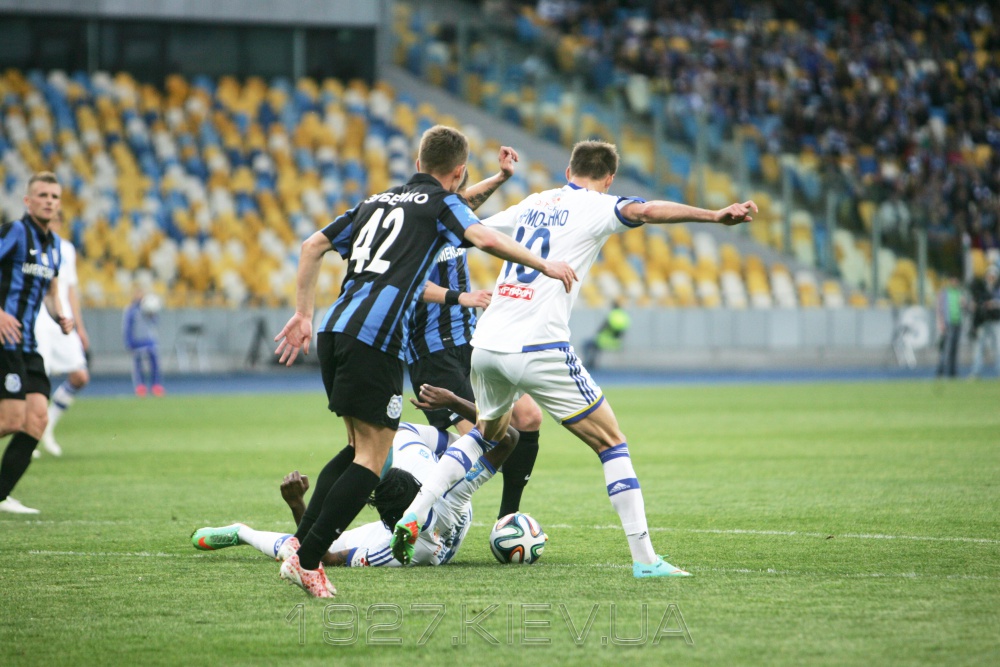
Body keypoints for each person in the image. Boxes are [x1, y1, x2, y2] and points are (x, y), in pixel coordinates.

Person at [391, 140, 757, 578]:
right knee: (612, 442)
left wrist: (494, 182)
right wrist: (714, 215)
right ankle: (646, 560)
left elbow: (471, 226)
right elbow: (646, 211)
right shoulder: (599, 206)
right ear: (609, 180)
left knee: (486, 434)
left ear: (568, 171)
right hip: (538, 345)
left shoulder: (535, 202)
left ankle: (415, 512)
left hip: (486, 342)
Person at [272, 124, 576, 597]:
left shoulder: (375, 202)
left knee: (357, 449)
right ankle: (307, 561)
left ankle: (301, 546)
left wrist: (302, 314)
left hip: (334, 328)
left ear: (417, 164)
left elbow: (312, 246)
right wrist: (545, 265)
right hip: (377, 338)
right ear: (457, 173)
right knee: (371, 460)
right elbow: (483, 237)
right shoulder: (438, 206)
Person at [190, 385, 518, 576]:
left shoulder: (397, 545)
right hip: (415, 448)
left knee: (302, 547)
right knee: (300, 548)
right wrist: (456, 407)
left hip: (412, 449)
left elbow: (323, 557)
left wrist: (297, 505)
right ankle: (241, 532)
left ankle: (242, 532)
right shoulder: (409, 537)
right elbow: (509, 437)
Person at [408, 146, 543, 520]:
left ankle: (508, 519)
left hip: (470, 343)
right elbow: (406, 283)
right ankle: (425, 510)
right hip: (432, 351)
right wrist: (461, 297)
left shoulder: (448, 213)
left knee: (528, 417)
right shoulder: (410, 222)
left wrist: (501, 177)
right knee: (484, 440)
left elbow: (466, 201)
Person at [0, 172, 74, 515]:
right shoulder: (15, 232)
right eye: (42, 195)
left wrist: (61, 315)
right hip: (5, 341)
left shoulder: (55, 245)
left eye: (54, 196)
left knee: (37, 421)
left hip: (28, 345)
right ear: (28, 201)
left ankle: (1, 495)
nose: (49, 201)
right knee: (11, 419)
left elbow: (51, 289)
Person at [33, 212, 89, 457]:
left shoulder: (66, 249)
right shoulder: (30, 245)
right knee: (38, 381)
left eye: (56, 220)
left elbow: (70, 290)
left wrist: (80, 326)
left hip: (63, 320)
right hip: (38, 321)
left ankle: (48, 425)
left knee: (80, 376)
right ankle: (31, 435)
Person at [123, 287, 164, 397]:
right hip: (137, 341)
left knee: (155, 363)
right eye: (137, 293)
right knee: (138, 365)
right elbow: (127, 327)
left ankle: (156, 386)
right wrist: (128, 341)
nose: (139, 296)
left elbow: (155, 322)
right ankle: (140, 387)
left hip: (149, 341)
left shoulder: (147, 307)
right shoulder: (130, 310)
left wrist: (152, 314)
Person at [968, 264, 1000, 378]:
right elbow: (975, 302)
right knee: (979, 347)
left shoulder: (997, 289)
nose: (991, 278)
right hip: (983, 320)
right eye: (989, 275)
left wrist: (994, 304)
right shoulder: (980, 287)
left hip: (995, 320)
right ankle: (976, 371)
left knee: (998, 347)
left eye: (993, 276)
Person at [582, 298, 631, 369]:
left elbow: (601, 328)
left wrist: (598, 334)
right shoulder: (624, 316)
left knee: (587, 344)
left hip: (605, 341)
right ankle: (592, 363)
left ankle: (590, 363)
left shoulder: (612, 315)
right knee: (596, 345)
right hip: (618, 342)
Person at [934, 276, 964, 378]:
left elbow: (965, 307)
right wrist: (940, 322)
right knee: (947, 349)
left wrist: (964, 304)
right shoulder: (944, 293)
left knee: (954, 349)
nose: (955, 282)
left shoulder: (960, 292)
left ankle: (952, 372)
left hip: (958, 323)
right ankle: (942, 371)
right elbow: (939, 308)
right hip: (948, 323)